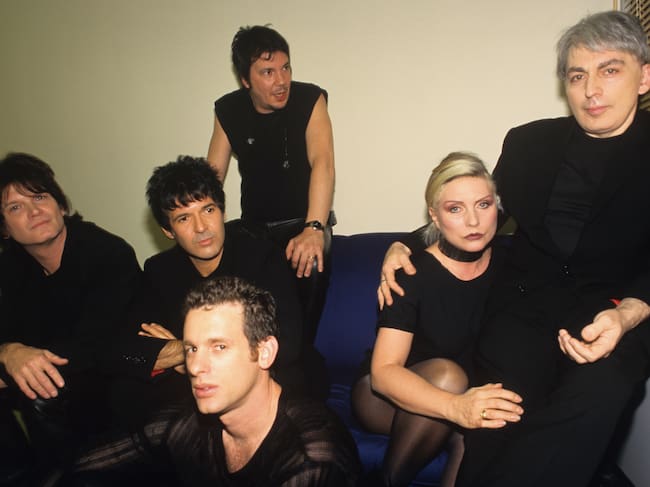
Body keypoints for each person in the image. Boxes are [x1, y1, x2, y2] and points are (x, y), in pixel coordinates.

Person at [379, 11, 650, 487]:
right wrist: (404, 244)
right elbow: (476, 213)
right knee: (499, 410)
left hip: (614, 312)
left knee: (598, 396)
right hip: (522, 308)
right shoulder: (529, 143)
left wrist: (626, 314)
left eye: (610, 71)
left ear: (643, 76)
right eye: (577, 75)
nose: (591, 90)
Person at [352, 153, 523, 487]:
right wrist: (458, 408)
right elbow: (384, 373)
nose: (473, 222)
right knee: (447, 376)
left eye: (483, 205)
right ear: (434, 214)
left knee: (477, 430)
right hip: (384, 396)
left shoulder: (511, 266)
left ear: (497, 208)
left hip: (465, 394)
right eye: (455, 209)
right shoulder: (411, 273)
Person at [109, 155, 309, 428]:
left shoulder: (262, 257)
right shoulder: (159, 270)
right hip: (194, 392)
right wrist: (193, 351)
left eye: (208, 210)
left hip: (270, 381)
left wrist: (186, 354)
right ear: (168, 231)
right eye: (183, 218)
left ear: (223, 212)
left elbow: (285, 343)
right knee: (125, 396)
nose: (201, 227)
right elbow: (130, 347)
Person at [0, 152, 141, 483]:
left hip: (114, 381)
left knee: (41, 388)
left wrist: (18, 364)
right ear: (4, 228)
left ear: (59, 204)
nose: (34, 211)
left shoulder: (108, 253)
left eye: (39, 196)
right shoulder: (11, 267)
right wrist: (8, 352)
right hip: (59, 384)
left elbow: (93, 346)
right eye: (15, 207)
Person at [165, 276, 360, 486]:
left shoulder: (312, 459)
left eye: (219, 347)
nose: (194, 367)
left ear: (264, 353)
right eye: (192, 349)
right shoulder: (186, 423)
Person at [207, 25, 335, 345]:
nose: (281, 81)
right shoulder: (229, 109)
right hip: (254, 229)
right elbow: (212, 178)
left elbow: (324, 162)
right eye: (268, 72)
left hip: (302, 224)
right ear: (246, 80)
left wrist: (315, 227)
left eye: (285, 68)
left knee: (311, 264)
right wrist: (201, 226)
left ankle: (301, 356)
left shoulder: (310, 98)